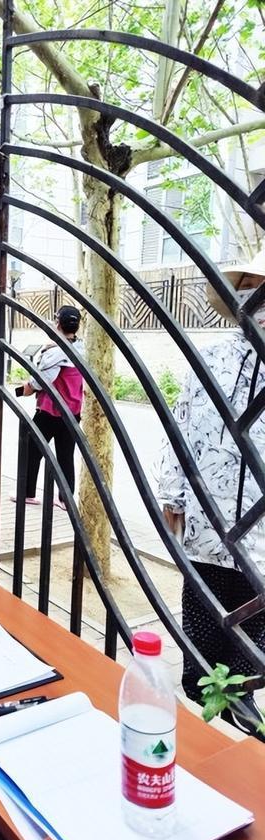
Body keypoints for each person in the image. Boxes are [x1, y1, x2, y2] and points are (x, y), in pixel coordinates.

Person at [157, 250, 265, 735]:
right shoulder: (213, 356)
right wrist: (172, 494)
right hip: (208, 521)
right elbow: (178, 425)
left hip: (260, 534)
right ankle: (205, 708)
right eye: (252, 288)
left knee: (253, 636)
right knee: (201, 631)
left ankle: (241, 705)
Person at [13, 305, 84, 511]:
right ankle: (65, 499)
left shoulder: (55, 353)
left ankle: (27, 493)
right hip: (73, 412)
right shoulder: (82, 349)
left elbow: (39, 383)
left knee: (31, 449)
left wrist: (17, 391)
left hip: (50, 412)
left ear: (58, 324)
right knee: (65, 456)